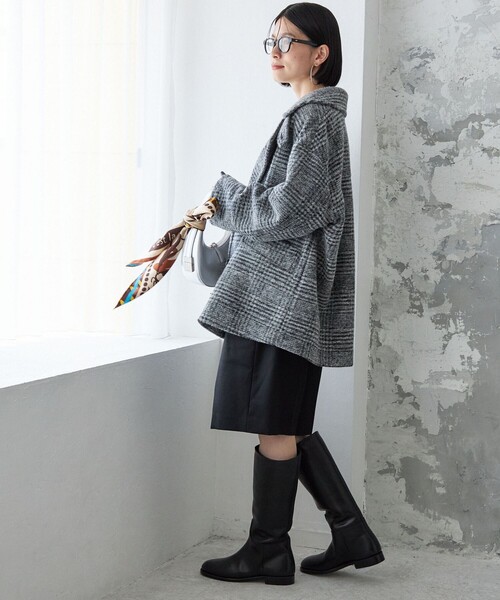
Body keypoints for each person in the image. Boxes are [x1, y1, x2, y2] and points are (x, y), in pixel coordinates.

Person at [197, 2, 384, 586]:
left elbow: (292, 209)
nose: (275, 52)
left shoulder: (315, 119)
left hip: (282, 301)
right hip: (289, 298)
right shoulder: (312, 117)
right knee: (289, 421)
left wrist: (227, 198)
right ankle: (350, 533)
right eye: (270, 41)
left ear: (319, 53)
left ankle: (268, 551)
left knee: (276, 425)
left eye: (287, 41)